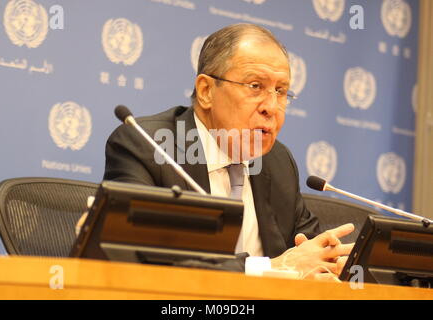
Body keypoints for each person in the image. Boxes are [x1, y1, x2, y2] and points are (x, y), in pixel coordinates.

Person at [102, 23, 354, 280]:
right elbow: (144, 263)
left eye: (280, 91)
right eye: (255, 86)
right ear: (206, 91)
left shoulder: (278, 161)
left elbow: (307, 253)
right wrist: (275, 268)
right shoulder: (148, 147)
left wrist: (327, 264)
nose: (271, 107)